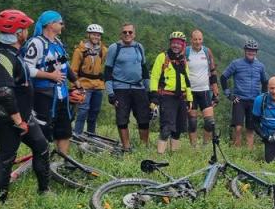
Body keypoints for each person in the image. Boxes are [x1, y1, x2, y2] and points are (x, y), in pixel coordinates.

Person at [0, 9, 50, 201]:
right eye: (25, 29)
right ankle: (1, 200)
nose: (27, 32)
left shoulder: (13, 53)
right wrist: (18, 120)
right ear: (18, 32)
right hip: (10, 118)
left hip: (23, 115)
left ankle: (44, 191)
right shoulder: (2, 57)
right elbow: (5, 91)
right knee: (6, 157)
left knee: (42, 147)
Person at [22, 10, 80, 155]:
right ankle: (42, 164)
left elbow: (64, 64)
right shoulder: (36, 43)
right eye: (60, 23)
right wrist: (50, 76)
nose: (63, 25)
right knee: (43, 132)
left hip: (62, 95)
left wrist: (75, 82)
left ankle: (61, 163)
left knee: (64, 131)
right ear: (50, 24)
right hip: (43, 96)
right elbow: (26, 69)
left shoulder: (58, 43)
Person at [104, 23, 151, 151]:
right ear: (121, 34)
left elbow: (145, 70)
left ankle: (144, 147)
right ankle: (126, 148)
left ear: (134, 34)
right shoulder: (115, 48)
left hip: (138, 88)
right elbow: (107, 71)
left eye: (130, 32)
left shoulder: (139, 47)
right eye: (125, 32)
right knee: (122, 119)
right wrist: (110, 93)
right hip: (120, 88)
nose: (127, 34)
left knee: (144, 118)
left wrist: (150, 92)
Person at [149, 32, 194, 154]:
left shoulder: (183, 60)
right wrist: (154, 97)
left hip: (181, 97)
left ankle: (173, 156)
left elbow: (187, 80)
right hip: (166, 96)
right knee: (166, 127)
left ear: (183, 45)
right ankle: (159, 155)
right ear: (170, 43)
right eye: (174, 43)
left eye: (179, 43)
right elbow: (154, 77)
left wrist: (189, 99)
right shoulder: (163, 57)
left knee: (178, 129)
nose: (176, 46)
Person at [221, 39, 268, 148]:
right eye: (248, 50)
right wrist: (229, 94)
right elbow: (223, 77)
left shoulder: (260, 66)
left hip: (254, 101)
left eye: (253, 51)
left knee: (250, 129)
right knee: (238, 127)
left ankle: (249, 153)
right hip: (239, 99)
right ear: (245, 51)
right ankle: (236, 152)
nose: (251, 52)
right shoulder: (236, 63)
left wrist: (263, 98)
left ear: (256, 52)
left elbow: (265, 82)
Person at [70, 24, 107, 135]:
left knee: (94, 112)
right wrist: (74, 88)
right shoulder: (80, 50)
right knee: (83, 111)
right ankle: (78, 134)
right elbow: (73, 70)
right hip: (83, 85)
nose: (96, 37)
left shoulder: (103, 50)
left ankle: (91, 135)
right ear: (88, 35)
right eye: (94, 34)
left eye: (98, 35)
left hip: (98, 85)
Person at [185, 29, 220, 146]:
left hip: (205, 91)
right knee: (192, 122)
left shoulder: (207, 51)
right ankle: (194, 147)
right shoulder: (186, 52)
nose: (197, 42)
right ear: (191, 40)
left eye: (199, 39)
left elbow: (213, 71)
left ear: (202, 39)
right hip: (191, 92)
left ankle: (205, 146)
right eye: (195, 39)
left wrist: (215, 91)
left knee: (209, 122)